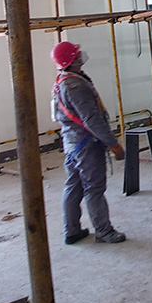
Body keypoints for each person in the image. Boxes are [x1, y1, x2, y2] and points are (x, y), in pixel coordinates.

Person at [51, 40, 127, 244]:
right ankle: (104, 231)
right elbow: (91, 119)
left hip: (72, 143)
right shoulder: (75, 85)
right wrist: (114, 145)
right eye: (77, 54)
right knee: (94, 188)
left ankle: (72, 230)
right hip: (86, 144)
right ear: (71, 60)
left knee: (73, 186)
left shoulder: (63, 80)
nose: (80, 56)